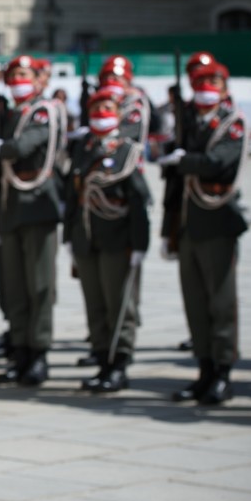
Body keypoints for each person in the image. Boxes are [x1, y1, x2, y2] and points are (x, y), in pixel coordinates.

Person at [159, 61, 247, 405]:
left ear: (224, 88)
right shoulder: (188, 122)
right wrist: (169, 232)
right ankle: (204, 369)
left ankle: (223, 372)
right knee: (195, 303)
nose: (206, 88)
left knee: (221, 302)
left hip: (217, 221)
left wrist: (185, 160)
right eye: (200, 82)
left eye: (213, 82)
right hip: (188, 224)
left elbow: (219, 162)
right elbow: (173, 185)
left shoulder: (231, 122)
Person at [64, 87, 151, 392]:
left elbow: (139, 201)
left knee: (119, 305)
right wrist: (69, 237)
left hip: (117, 239)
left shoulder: (127, 150)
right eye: (96, 107)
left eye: (107, 107)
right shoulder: (84, 148)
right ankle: (102, 360)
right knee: (96, 303)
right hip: (87, 239)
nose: (101, 112)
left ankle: (119, 363)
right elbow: (73, 196)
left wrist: (140, 244)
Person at [0, 55, 61, 386]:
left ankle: (39, 352)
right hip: (10, 204)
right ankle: (19, 351)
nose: (18, 80)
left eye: (23, 74)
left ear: (39, 79)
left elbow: (23, 146)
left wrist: (0, 147)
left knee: (39, 285)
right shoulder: (10, 112)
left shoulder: (43, 111)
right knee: (14, 285)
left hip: (36, 203)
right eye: (12, 75)